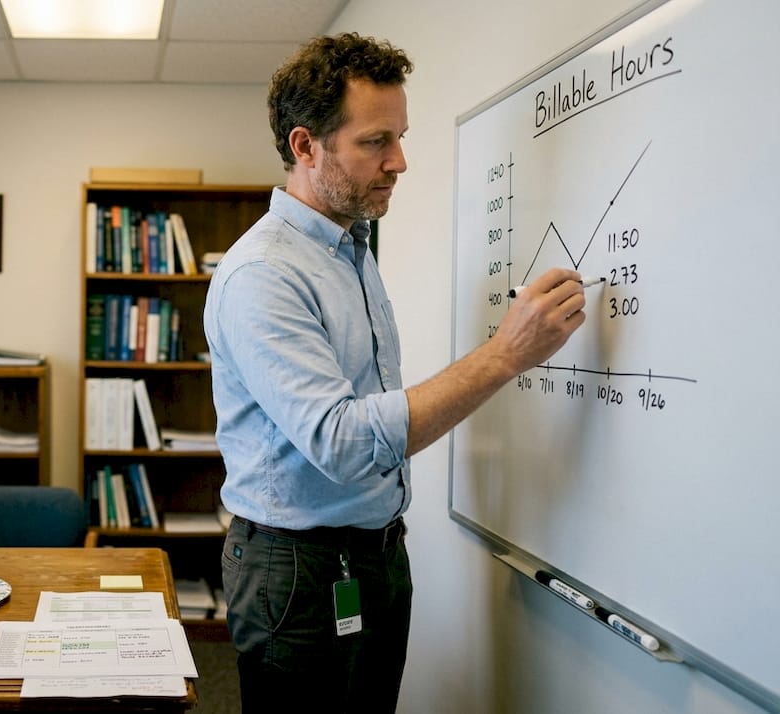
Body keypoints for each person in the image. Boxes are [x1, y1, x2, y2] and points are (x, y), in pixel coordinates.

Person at [204, 33, 588, 712]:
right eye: (376, 142)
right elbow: (342, 443)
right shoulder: (264, 273)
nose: (399, 162)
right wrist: (505, 355)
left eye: (401, 138)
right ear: (305, 147)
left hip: (375, 555)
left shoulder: (351, 247)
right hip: (298, 569)